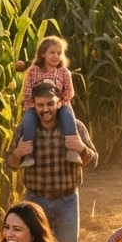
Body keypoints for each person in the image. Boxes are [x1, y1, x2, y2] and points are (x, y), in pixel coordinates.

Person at [7, 80, 99, 242]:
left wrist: (81, 148)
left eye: (50, 104)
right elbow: (10, 163)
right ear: (34, 106)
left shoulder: (74, 127)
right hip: (35, 201)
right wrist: (18, 152)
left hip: (67, 200)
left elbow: (93, 161)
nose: (45, 109)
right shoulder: (26, 130)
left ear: (58, 103)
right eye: (40, 105)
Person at [19, 35, 81, 166]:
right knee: (28, 120)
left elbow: (69, 92)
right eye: (52, 52)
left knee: (68, 116)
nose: (56, 56)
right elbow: (28, 90)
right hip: (37, 105)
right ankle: (27, 154)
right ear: (42, 54)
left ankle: (72, 149)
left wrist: (60, 103)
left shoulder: (63, 72)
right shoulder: (33, 71)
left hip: (60, 104)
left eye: (59, 53)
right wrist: (32, 106)